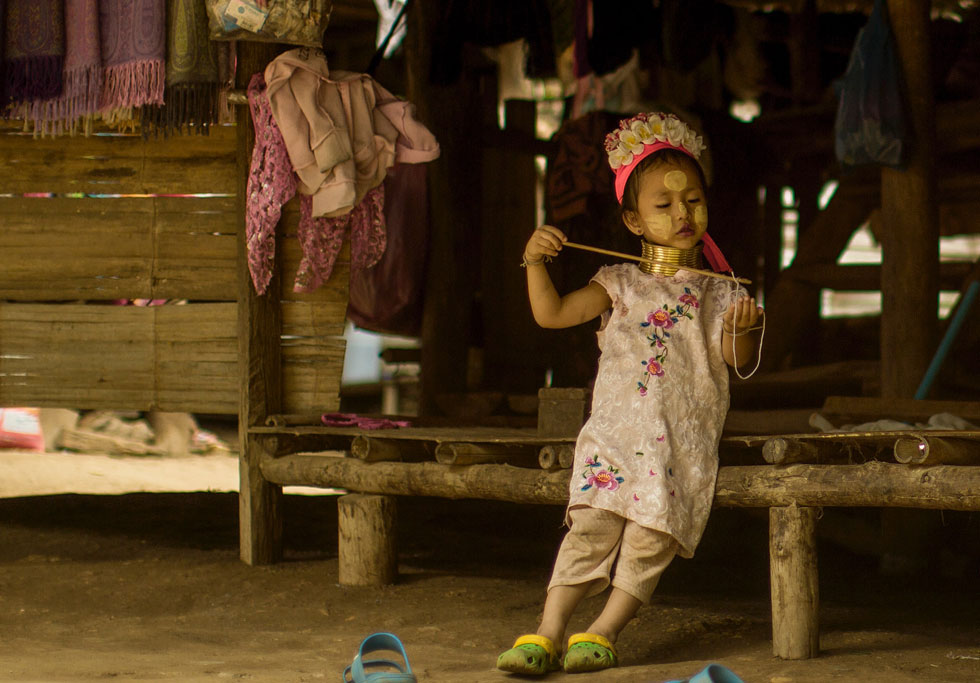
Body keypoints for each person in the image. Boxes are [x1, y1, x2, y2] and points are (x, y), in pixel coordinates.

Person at [497, 112, 764, 675]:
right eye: (664, 206)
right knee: (591, 529)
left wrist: (745, 328)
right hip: (615, 439)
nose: (683, 214)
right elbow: (550, 314)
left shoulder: (724, 291)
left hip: (679, 447)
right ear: (633, 221)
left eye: (692, 201)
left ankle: (602, 631)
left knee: (650, 539)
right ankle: (546, 632)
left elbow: (738, 362)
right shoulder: (615, 282)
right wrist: (534, 260)